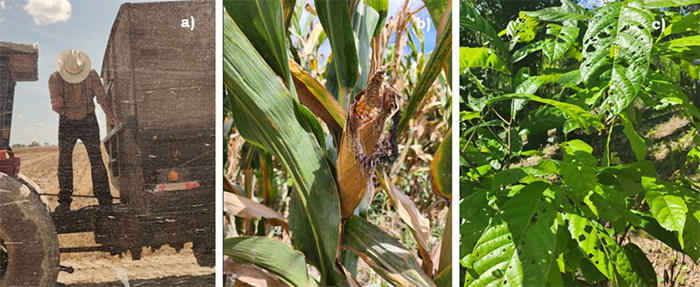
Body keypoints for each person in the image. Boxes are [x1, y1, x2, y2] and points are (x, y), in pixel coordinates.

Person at [49, 49, 119, 212]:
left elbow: (102, 98)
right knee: (64, 161)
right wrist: (57, 107)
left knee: (96, 160)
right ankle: (64, 202)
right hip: (66, 121)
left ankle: (105, 200)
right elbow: (56, 107)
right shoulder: (54, 78)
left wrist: (109, 116)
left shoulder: (92, 75)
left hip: (88, 120)